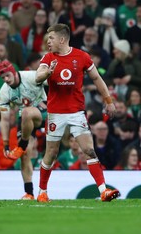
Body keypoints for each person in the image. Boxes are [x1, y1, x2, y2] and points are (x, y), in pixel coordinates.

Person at [35, 23, 120, 202]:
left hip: (76, 112)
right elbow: (37, 76)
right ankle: (42, 192)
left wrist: (109, 100)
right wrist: (46, 73)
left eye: (51, 38)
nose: (48, 41)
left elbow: (96, 78)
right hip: (55, 113)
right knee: (51, 153)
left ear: (62, 39)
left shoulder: (82, 56)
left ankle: (104, 191)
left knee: (89, 149)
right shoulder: (48, 57)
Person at [0, 59, 47, 200]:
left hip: (44, 113)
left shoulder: (31, 76)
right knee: (25, 155)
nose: (6, 79)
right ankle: (29, 193)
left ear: (13, 71)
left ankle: (22, 145)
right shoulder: (4, 92)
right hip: (26, 121)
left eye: (7, 75)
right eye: (3, 77)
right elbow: (5, 119)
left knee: (26, 112)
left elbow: (53, 84)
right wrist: (6, 144)